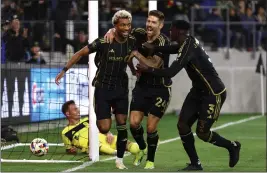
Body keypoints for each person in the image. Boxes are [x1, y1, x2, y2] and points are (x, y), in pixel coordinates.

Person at [138, 20, 241, 171]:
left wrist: (148, 69)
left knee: (202, 133)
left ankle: (232, 146)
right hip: (197, 91)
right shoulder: (187, 41)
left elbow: (171, 72)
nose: (170, 32)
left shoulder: (188, 47)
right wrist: (156, 48)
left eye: (171, 30)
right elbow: (173, 47)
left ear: (178, 31)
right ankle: (195, 164)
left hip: (213, 93)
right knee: (182, 125)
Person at [55, 10, 136, 169]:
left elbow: (137, 48)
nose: (126, 28)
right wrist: (64, 70)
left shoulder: (132, 40)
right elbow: (80, 53)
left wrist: (134, 70)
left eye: (128, 25)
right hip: (103, 88)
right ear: (115, 26)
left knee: (122, 123)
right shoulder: (104, 41)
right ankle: (106, 124)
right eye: (122, 25)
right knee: (104, 127)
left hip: (121, 88)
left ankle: (119, 160)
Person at [104, 10, 172, 169]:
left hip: (160, 88)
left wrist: (135, 53)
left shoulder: (163, 41)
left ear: (160, 25)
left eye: (153, 22)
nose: (149, 24)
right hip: (142, 87)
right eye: (148, 21)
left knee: (150, 127)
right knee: (134, 123)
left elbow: (155, 64)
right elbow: (122, 30)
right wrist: (111, 30)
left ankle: (151, 160)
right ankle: (142, 148)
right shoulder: (139, 33)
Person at [61, 100, 140, 156]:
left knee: (131, 145)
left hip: (107, 140)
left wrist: (109, 134)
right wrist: (71, 150)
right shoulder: (65, 132)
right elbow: (69, 149)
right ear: (68, 114)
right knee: (94, 144)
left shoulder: (88, 120)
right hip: (93, 146)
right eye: (75, 109)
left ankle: (143, 148)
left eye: (77, 108)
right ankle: (115, 152)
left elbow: (102, 128)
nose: (78, 110)